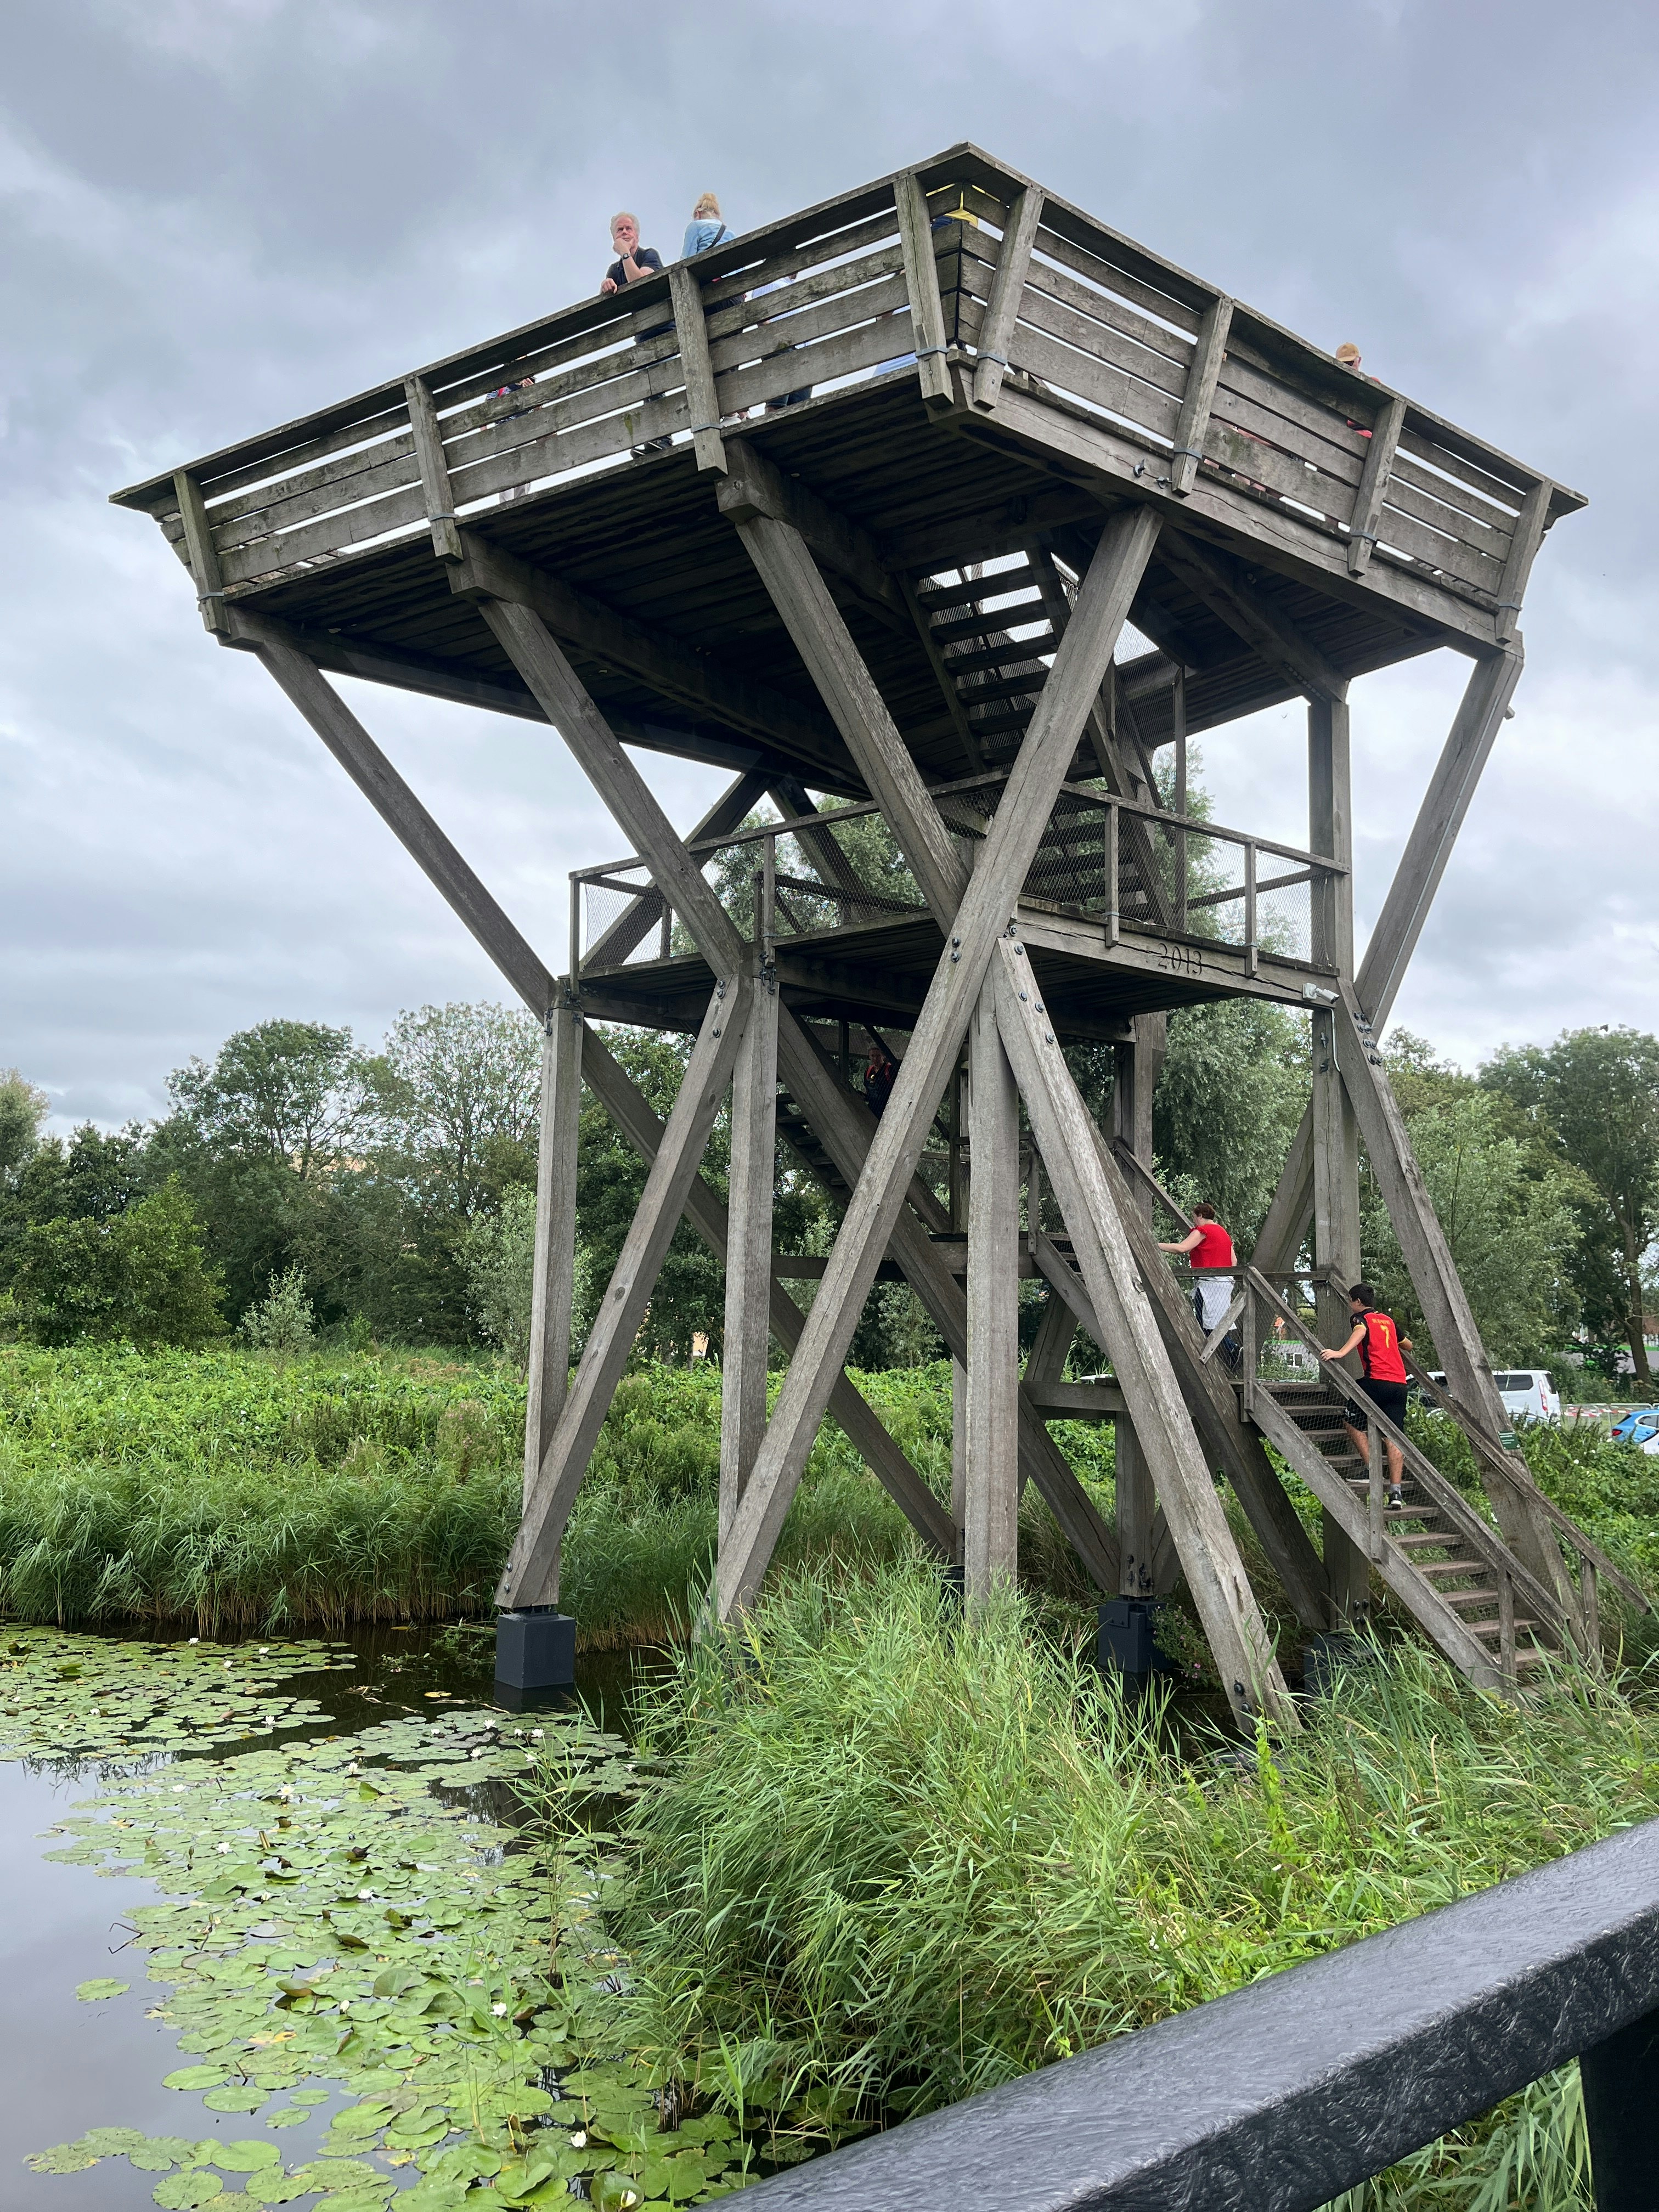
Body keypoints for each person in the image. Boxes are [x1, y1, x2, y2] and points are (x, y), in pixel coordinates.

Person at [1322, 1282, 1412, 1510]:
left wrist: (1340, 1353)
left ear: (1358, 1302)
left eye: (1351, 1301)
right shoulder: (1389, 1321)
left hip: (1376, 1381)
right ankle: (1396, 1493)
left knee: (1351, 1421)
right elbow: (1408, 1346)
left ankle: (1372, 1470)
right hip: (1399, 1384)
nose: (1350, 1305)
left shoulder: (1360, 1318)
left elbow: (1361, 1332)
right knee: (1394, 1437)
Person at [601, 212, 672, 454]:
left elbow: (640, 284)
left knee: (659, 382)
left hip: (665, 328)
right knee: (649, 386)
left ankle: (663, 439)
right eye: (619, 231)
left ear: (637, 234)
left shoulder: (649, 255)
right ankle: (655, 439)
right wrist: (605, 286)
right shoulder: (614, 268)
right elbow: (609, 299)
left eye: (628, 229)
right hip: (642, 336)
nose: (624, 233)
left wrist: (625, 254)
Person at [1159, 1204, 1239, 1365]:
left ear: (1201, 1216)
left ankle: (1230, 1350)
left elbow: (1182, 1248)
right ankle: (1227, 1356)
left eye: (1194, 1217)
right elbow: (1234, 1261)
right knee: (1219, 1322)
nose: (1194, 1221)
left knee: (1205, 1323)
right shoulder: (1224, 1234)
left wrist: (1156, 1245)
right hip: (1225, 1282)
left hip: (1209, 1284)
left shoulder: (1203, 1231)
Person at [681, 191, 735, 259]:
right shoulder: (731, 234)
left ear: (698, 213)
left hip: (708, 268)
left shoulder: (696, 226)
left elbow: (686, 259)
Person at [863, 1040, 898, 1120]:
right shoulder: (868, 1071)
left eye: (878, 1056)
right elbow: (867, 1089)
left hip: (886, 1109)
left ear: (883, 1056)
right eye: (872, 1056)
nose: (875, 1059)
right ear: (869, 1056)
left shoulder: (890, 1070)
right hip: (872, 1108)